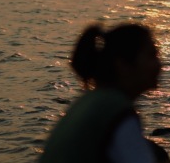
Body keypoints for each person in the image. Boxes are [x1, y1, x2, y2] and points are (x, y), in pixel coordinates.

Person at [39, 23, 163, 163]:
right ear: (122, 64)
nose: (160, 64)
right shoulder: (116, 110)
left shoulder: (87, 102)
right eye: (152, 56)